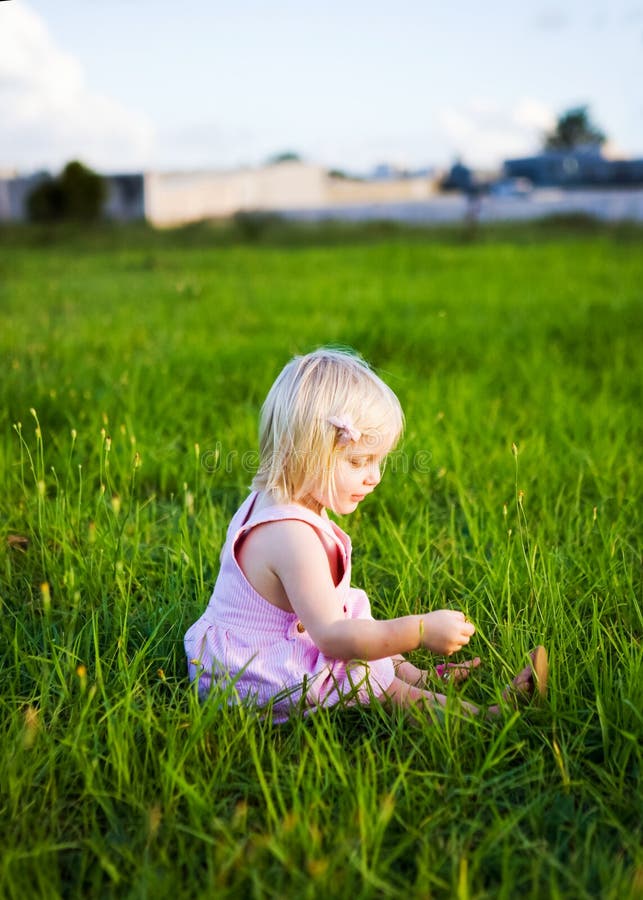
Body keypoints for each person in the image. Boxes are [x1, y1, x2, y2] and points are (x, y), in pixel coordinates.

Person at [184, 348, 548, 722]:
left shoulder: (279, 496)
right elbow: (333, 638)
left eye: (379, 461)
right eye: (358, 462)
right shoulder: (292, 538)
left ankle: (421, 677)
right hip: (250, 675)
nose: (374, 477)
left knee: (361, 619)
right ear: (305, 455)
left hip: (245, 647)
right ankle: (487, 718)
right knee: (368, 674)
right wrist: (420, 629)